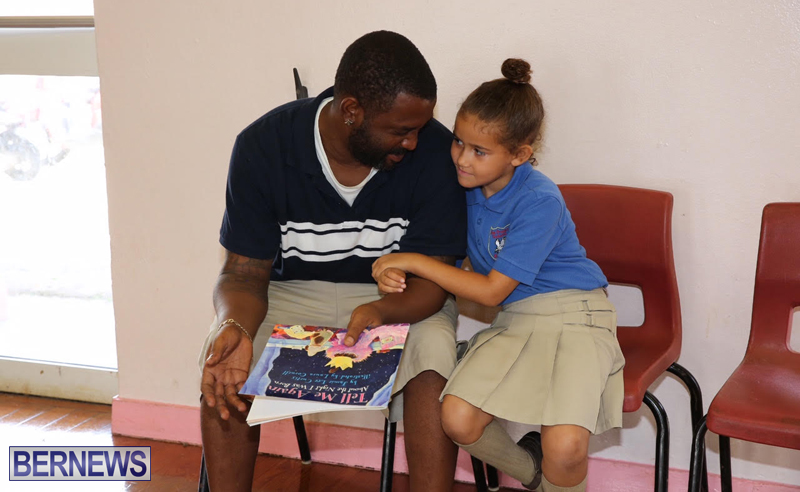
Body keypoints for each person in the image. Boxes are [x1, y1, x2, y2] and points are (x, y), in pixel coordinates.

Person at [199, 31, 467, 492]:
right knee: (226, 360)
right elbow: (242, 275)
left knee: (435, 355)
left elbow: (433, 284)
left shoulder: (435, 155)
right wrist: (234, 326)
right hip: (289, 294)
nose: (412, 142)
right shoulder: (264, 146)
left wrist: (381, 309)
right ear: (351, 111)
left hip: (401, 299)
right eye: (400, 130)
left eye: (418, 129)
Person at [372, 59, 625, 492]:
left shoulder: (540, 199)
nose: (462, 159)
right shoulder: (462, 189)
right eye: (458, 142)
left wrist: (411, 261)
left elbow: (490, 291)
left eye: (479, 151)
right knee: (457, 417)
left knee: (566, 448)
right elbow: (461, 267)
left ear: (519, 155)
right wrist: (396, 276)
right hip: (515, 320)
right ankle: (535, 474)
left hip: (576, 316)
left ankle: (554, 474)